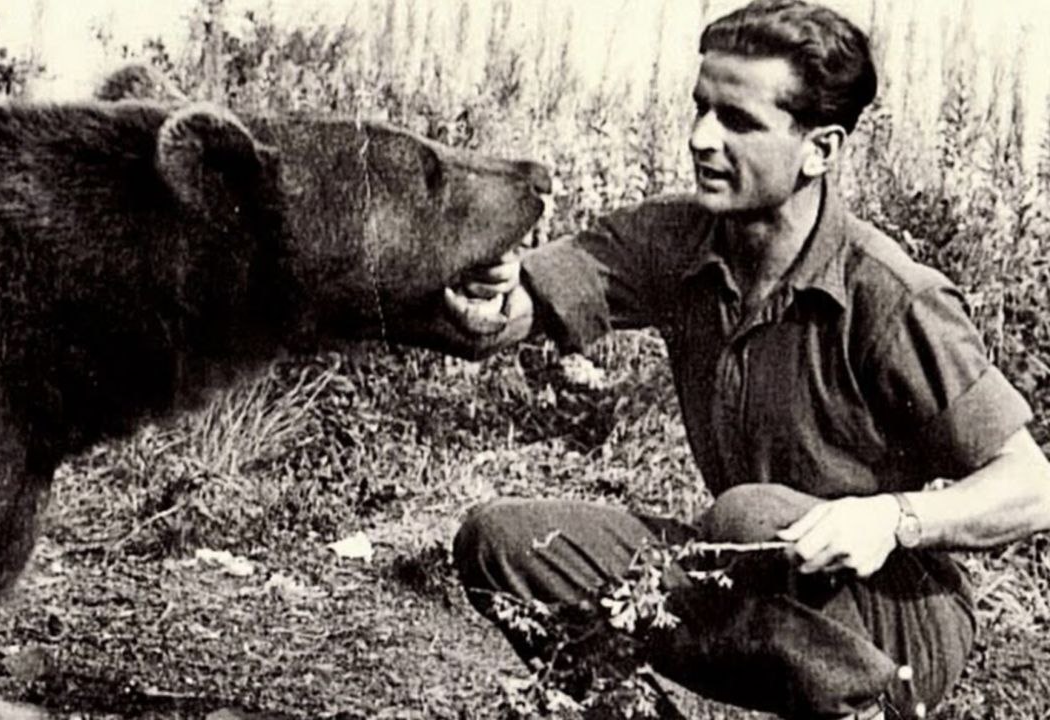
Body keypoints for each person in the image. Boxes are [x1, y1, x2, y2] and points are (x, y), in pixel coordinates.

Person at [439, 1, 1050, 718]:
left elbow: (1032, 486)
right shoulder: (675, 239)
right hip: (742, 568)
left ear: (820, 149)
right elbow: (521, 307)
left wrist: (890, 519)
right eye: (701, 108)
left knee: (748, 514)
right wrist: (490, 291)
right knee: (504, 543)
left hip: (891, 620)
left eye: (738, 121)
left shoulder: (889, 295)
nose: (701, 138)